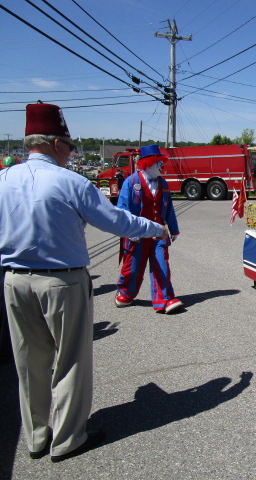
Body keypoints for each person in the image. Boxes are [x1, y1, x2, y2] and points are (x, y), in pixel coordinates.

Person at [0, 102, 168, 462]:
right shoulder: (71, 182)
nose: (71, 152)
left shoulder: (3, 179)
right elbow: (118, 222)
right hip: (62, 281)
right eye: (70, 146)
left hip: (14, 280)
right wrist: (155, 227)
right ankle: (67, 438)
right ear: (58, 143)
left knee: (28, 362)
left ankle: (35, 437)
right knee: (70, 360)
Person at [114, 144, 183, 314]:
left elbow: (169, 208)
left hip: (159, 233)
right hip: (137, 233)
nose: (161, 166)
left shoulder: (163, 183)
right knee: (133, 266)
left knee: (162, 264)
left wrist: (173, 229)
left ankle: (165, 299)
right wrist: (129, 231)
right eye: (158, 163)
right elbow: (123, 209)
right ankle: (126, 293)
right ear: (148, 163)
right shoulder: (131, 182)